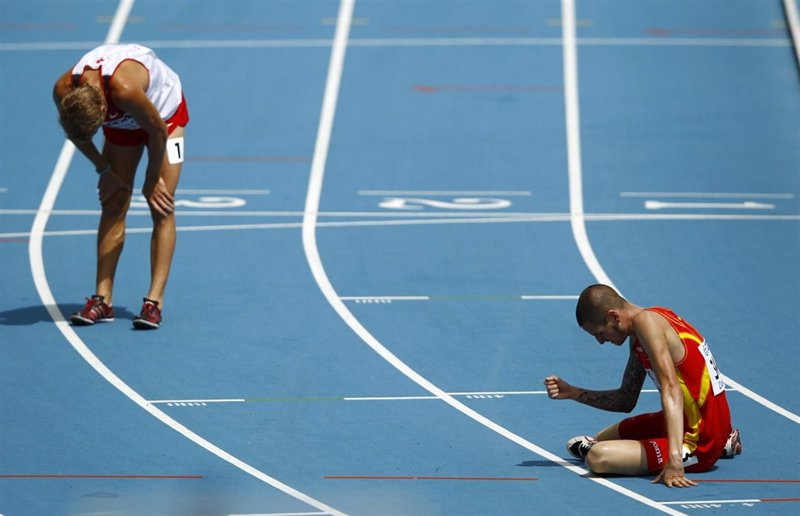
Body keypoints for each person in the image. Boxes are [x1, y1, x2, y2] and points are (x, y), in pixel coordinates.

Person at [544, 284, 741, 487]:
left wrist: (674, 458)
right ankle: (723, 440)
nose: (600, 341)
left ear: (613, 316)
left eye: (600, 333)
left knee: (597, 457)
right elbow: (625, 400)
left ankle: (713, 446)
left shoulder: (647, 324)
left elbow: (671, 387)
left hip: (701, 441)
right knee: (593, 442)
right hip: (688, 420)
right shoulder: (648, 324)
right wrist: (573, 392)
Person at [53, 43, 189, 329]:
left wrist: (151, 179)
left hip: (165, 117)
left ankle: (154, 303)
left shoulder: (124, 89)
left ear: (103, 109)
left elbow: (157, 131)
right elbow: (76, 134)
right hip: (123, 122)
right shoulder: (63, 91)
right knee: (113, 201)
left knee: (161, 204)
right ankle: (102, 300)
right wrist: (103, 169)